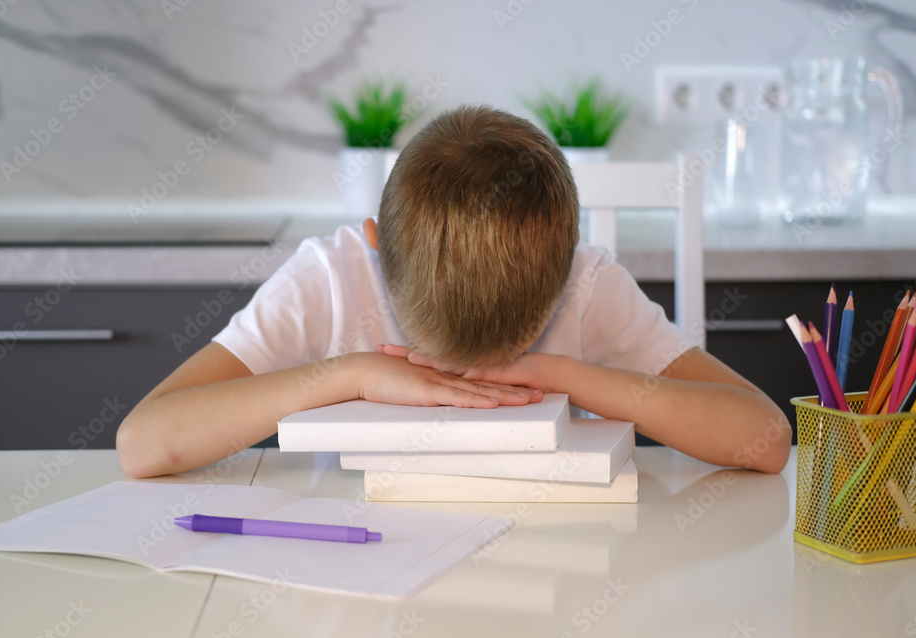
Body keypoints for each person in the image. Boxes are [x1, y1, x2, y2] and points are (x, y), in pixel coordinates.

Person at [116, 105, 791, 479]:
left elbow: (765, 439)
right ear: (375, 248)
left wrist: (561, 376)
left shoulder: (591, 284)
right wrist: (352, 375)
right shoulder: (328, 278)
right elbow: (144, 442)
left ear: (565, 272)